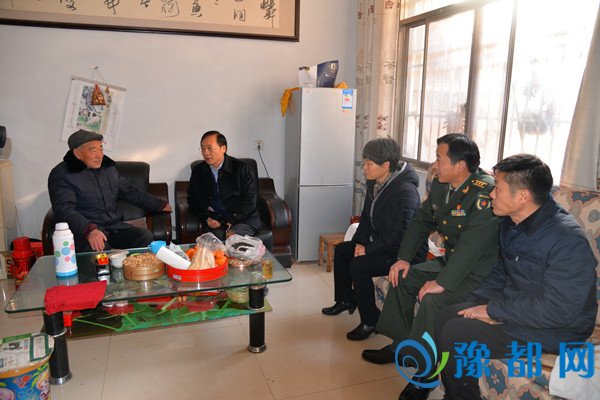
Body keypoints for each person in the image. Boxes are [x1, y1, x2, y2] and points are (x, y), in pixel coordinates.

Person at [423, 154, 598, 400]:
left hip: (559, 329)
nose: (491, 194)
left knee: (457, 332)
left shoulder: (567, 241)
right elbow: (501, 272)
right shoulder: (512, 221)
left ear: (523, 196)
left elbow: (558, 311)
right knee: (447, 315)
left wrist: (493, 310)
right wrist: (474, 301)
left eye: (498, 188)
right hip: (523, 306)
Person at [362, 133, 499, 367]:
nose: (434, 165)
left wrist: (442, 282)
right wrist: (403, 258)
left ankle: (423, 366)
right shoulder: (441, 184)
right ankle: (399, 346)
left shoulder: (484, 194)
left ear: (460, 165)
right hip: (451, 261)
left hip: (477, 271)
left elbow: (471, 247)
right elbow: (421, 220)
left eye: (439, 159)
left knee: (432, 300)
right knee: (401, 277)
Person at [321, 138, 427, 341]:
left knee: (359, 265)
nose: (364, 168)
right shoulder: (375, 182)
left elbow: (398, 236)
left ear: (386, 165)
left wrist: (368, 250)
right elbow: (366, 218)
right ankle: (345, 300)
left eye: (369, 163)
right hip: (383, 243)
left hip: (403, 253)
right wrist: (360, 242)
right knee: (343, 250)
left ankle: (370, 321)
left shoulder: (406, 192)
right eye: (365, 162)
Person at [48, 129, 172, 252]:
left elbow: (129, 191)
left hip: (114, 227)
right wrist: (89, 230)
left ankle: (134, 265)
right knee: (100, 249)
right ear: (77, 153)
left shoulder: (108, 168)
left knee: (144, 236)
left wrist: (158, 204)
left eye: (101, 149)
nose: (99, 155)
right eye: (93, 151)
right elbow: (64, 209)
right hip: (85, 231)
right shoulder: (62, 174)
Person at [187, 130, 260, 240]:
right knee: (212, 244)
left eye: (210, 148)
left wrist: (232, 220)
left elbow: (249, 200)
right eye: (202, 148)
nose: (205, 152)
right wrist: (206, 218)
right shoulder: (198, 171)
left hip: (242, 219)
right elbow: (192, 200)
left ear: (223, 148)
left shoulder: (240, 168)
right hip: (216, 221)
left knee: (233, 239)